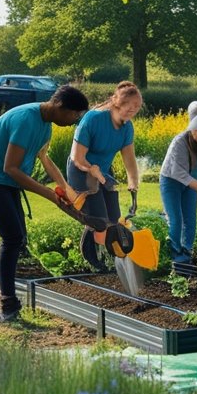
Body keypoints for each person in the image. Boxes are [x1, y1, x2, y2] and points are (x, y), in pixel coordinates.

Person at [0, 85, 89, 322]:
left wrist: (65, 188)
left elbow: (44, 159)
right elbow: (11, 168)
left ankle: (9, 302)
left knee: (18, 238)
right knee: (12, 238)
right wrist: (49, 194)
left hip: (5, 180)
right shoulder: (26, 120)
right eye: (75, 115)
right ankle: (8, 306)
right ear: (60, 107)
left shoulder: (45, 125)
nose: (75, 121)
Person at [66, 81, 142, 271]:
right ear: (117, 103)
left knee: (114, 218)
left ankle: (109, 257)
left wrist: (133, 181)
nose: (132, 112)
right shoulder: (93, 119)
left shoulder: (127, 127)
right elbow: (77, 157)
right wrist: (94, 171)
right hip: (82, 170)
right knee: (99, 219)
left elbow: (129, 159)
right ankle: (93, 258)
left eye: (136, 109)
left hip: (103, 172)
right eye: (129, 108)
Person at [160, 110, 197, 265]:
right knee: (176, 220)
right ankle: (175, 256)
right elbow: (181, 175)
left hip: (194, 180)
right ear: (193, 131)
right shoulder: (179, 143)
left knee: (190, 219)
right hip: (172, 180)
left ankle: (186, 252)